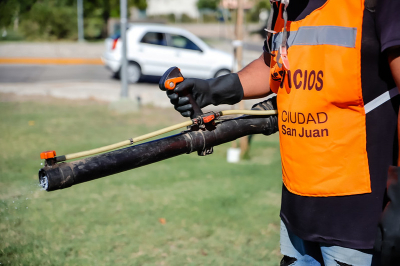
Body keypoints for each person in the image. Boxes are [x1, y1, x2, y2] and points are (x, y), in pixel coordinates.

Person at [161, 0, 400, 265]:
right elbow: (272, 65)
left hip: (359, 218)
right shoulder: (285, 7)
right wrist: (213, 89)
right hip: (297, 209)